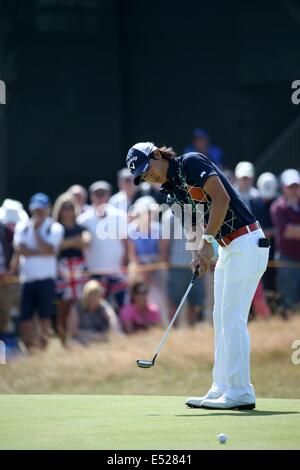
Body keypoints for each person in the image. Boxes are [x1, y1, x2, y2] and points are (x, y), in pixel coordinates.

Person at [126, 142, 270, 410]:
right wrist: (198, 253)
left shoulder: (190, 162)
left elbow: (222, 199)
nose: (149, 176)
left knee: (232, 318)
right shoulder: (170, 194)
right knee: (220, 318)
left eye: (148, 169)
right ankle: (221, 387)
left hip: (247, 242)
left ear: (158, 155)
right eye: (144, 176)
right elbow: (193, 225)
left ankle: (241, 391)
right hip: (228, 250)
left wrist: (205, 241)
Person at [13, 193, 64, 351]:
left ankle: (43, 349)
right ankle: (30, 349)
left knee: (45, 317)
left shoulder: (54, 227)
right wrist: (40, 252)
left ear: (48, 209)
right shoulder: (22, 226)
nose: (38, 214)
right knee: (26, 318)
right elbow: (20, 249)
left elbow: (49, 249)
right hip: (27, 279)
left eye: (41, 210)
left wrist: (35, 233)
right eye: (35, 210)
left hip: (46, 280)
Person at [78, 181, 128, 311]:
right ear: (91, 196)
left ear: (108, 195)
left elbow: (126, 242)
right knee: (96, 306)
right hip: (94, 271)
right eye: (97, 194)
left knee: (120, 305)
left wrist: (125, 264)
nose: (100, 197)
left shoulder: (120, 216)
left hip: (117, 271)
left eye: (103, 194)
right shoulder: (83, 219)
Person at [52, 193, 91, 346]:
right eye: (64, 208)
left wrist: (68, 243)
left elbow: (86, 242)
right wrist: (75, 241)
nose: (67, 211)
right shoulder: (55, 228)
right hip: (62, 270)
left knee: (79, 304)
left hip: (79, 269)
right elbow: (58, 246)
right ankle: (63, 341)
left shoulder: (81, 227)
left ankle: (78, 338)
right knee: (63, 307)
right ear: (59, 210)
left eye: (70, 207)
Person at [271, 169, 300, 316]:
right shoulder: (278, 207)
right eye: (291, 187)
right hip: (287, 258)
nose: (294, 190)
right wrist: (293, 230)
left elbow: (293, 231)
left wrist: (294, 230)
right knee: (289, 299)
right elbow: (287, 232)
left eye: (296, 186)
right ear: (284, 188)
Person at [73, 280, 119, 345]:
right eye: (90, 294)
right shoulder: (77, 307)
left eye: (96, 294)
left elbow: (113, 320)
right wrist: (92, 335)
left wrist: (112, 332)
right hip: (83, 337)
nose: (93, 298)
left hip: (102, 336)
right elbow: (73, 331)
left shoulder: (103, 305)